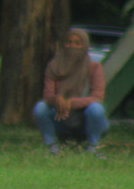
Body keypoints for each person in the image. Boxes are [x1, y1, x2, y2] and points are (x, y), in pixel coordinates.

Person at [33, 28, 109, 157]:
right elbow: (48, 94)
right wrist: (57, 99)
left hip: (86, 119)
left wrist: (71, 102)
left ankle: (92, 147)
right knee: (40, 107)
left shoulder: (94, 67)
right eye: (69, 42)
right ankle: (53, 147)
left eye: (77, 43)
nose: (72, 46)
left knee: (96, 109)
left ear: (85, 46)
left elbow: (97, 96)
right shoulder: (54, 67)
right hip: (61, 117)